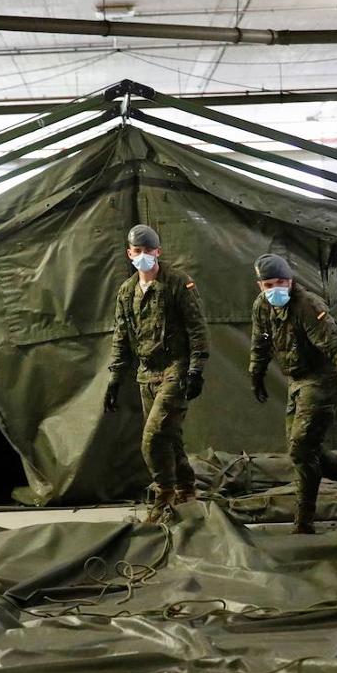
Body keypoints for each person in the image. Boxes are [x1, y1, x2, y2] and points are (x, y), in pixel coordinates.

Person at [247, 253, 337, 533]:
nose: (275, 289)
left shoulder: (307, 305)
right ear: (260, 286)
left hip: (320, 379)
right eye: (268, 285)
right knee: (301, 450)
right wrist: (257, 372)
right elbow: (261, 340)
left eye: (281, 282)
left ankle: (304, 520)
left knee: (301, 448)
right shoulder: (262, 307)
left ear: (290, 281)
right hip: (295, 380)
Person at [104, 224, 209, 524]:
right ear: (129, 254)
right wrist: (114, 378)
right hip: (145, 373)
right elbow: (121, 336)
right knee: (169, 436)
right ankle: (187, 489)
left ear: (158, 252)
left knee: (152, 439)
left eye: (148, 251)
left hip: (175, 368)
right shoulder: (127, 291)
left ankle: (163, 495)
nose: (143, 257)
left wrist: (196, 369)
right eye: (137, 252)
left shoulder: (178, 283)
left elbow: (197, 328)